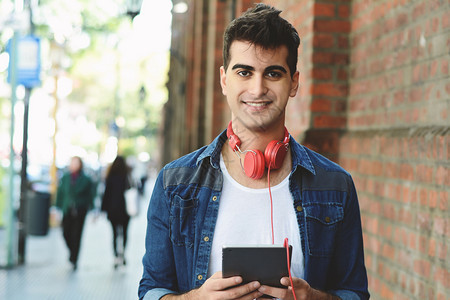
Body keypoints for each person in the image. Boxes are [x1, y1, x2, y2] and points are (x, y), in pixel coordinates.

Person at [139, 4, 369, 300]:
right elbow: (151, 290)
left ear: (294, 82)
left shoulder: (336, 185)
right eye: (244, 72)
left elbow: (355, 294)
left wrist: (311, 298)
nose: (257, 88)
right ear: (224, 80)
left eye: (273, 73)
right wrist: (198, 298)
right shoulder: (174, 184)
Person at [56, 156, 95, 270]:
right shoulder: (66, 177)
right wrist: (56, 208)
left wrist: (93, 210)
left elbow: (90, 195)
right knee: (65, 233)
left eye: (76, 163)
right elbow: (60, 193)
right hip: (67, 209)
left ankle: (74, 258)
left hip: (80, 210)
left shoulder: (86, 179)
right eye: (72, 163)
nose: (74, 165)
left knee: (77, 235)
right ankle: (71, 251)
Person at [101, 155, 131, 268]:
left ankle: (115, 256)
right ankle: (122, 254)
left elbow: (106, 195)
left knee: (114, 233)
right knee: (124, 233)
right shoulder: (127, 176)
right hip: (125, 210)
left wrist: (103, 209)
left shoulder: (110, 177)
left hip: (113, 210)